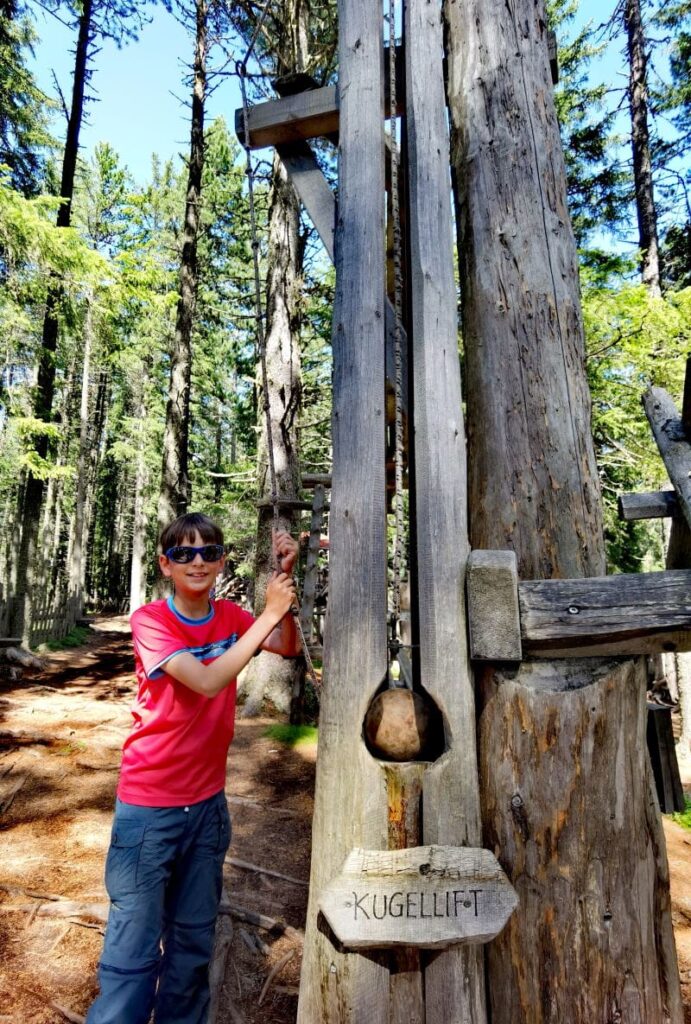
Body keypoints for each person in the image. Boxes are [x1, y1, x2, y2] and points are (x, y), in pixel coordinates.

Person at [86, 512, 298, 1024]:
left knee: (192, 946)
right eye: (184, 553)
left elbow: (286, 646)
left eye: (208, 551)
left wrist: (282, 586)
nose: (197, 561)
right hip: (149, 812)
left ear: (222, 560)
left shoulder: (229, 616)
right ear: (165, 564)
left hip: (206, 809)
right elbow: (204, 680)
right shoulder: (150, 622)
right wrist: (268, 614)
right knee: (132, 955)